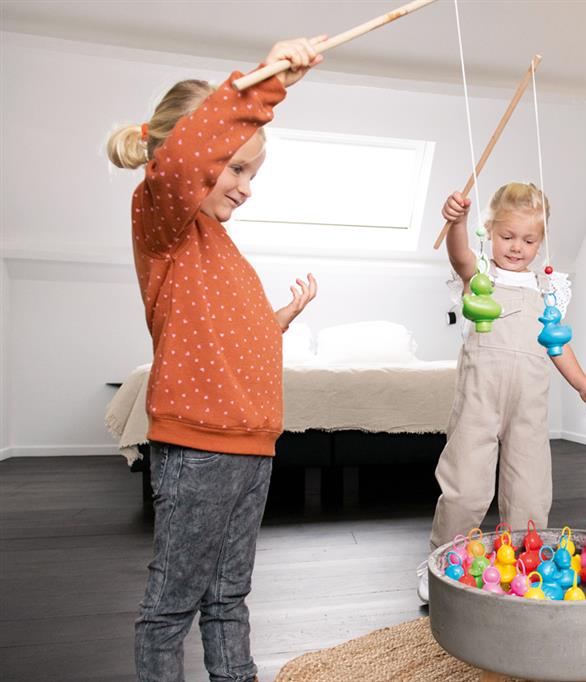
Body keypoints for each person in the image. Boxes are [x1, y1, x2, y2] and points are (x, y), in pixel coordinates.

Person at [107, 37, 323, 681]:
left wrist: (277, 321)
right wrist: (263, 86)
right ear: (190, 161)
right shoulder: (161, 222)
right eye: (236, 170)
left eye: (253, 173)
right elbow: (185, 162)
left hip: (252, 446)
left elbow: (229, 333)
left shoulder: (221, 248)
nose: (246, 188)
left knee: (229, 597)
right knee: (172, 605)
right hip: (199, 450)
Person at [419, 182, 586, 602]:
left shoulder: (548, 289)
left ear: (541, 240)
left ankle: (525, 566)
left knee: (530, 492)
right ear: (490, 230)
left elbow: (556, 344)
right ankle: (441, 564)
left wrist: (584, 385)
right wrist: (457, 222)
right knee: (465, 488)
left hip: (528, 408)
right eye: (507, 237)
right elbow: (460, 255)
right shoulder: (481, 275)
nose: (518, 247)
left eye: (529, 240)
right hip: (479, 402)